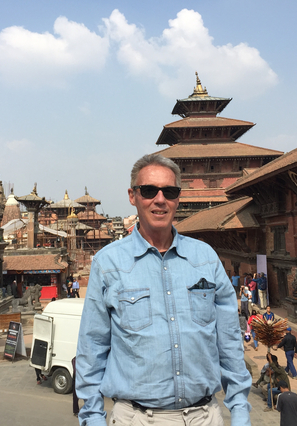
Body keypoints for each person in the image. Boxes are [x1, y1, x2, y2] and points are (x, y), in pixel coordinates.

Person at [76, 154, 251, 426]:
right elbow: (92, 348)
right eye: (149, 191)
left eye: (169, 192)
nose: (160, 199)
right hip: (137, 418)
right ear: (132, 196)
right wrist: (93, 419)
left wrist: (240, 414)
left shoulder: (205, 258)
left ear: (178, 198)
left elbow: (229, 343)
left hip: (204, 416)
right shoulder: (108, 264)